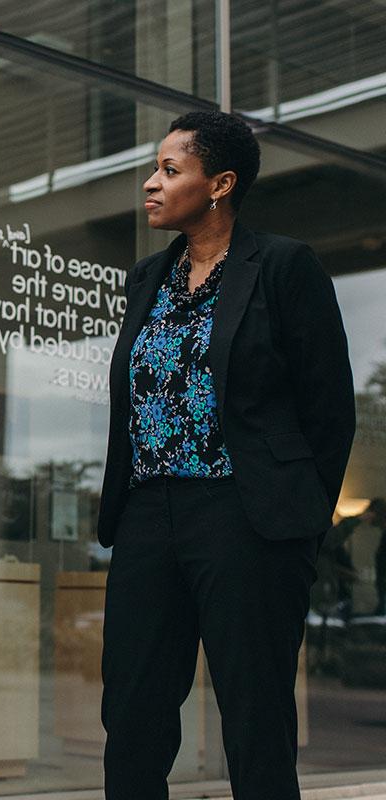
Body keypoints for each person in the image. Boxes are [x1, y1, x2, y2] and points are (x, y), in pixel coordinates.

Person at [97, 111, 355, 800]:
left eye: (169, 170)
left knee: (254, 714)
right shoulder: (146, 278)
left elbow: (330, 410)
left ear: (221, 183)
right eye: (154, 170)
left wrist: (296, 516)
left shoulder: (282, 266)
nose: (151, 184)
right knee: (132, 713)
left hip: (246, 515)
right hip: (150, 514)